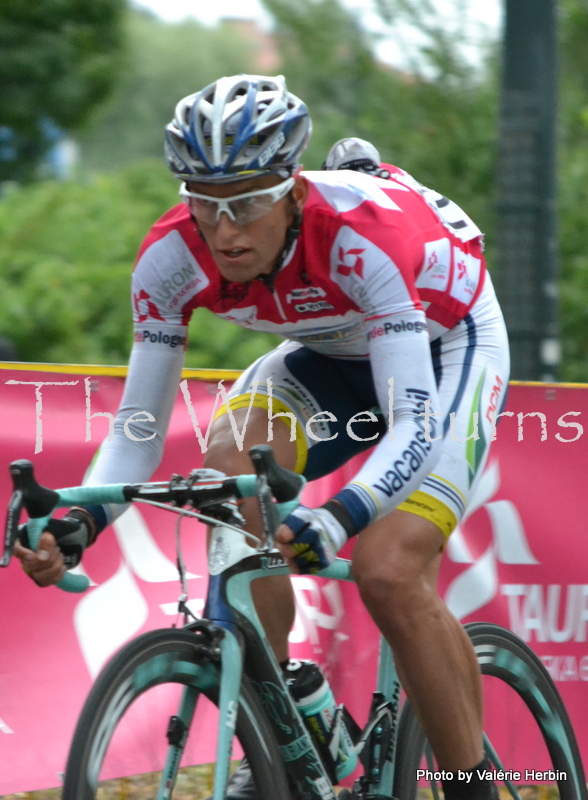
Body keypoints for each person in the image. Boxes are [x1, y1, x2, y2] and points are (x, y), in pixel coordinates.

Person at [15, 74, 509, 799]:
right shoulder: (169, 258)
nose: (224, 230)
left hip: (445, 349)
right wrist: (81, 517)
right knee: (227, 473)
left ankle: (475, 785)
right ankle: (280, 724)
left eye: (245, 202)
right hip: (327, 360)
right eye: (203, 203)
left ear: (293, 188)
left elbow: (413, 420)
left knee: (388, 569)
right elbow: (139, 427)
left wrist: (340, 517)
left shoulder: (363, 240)